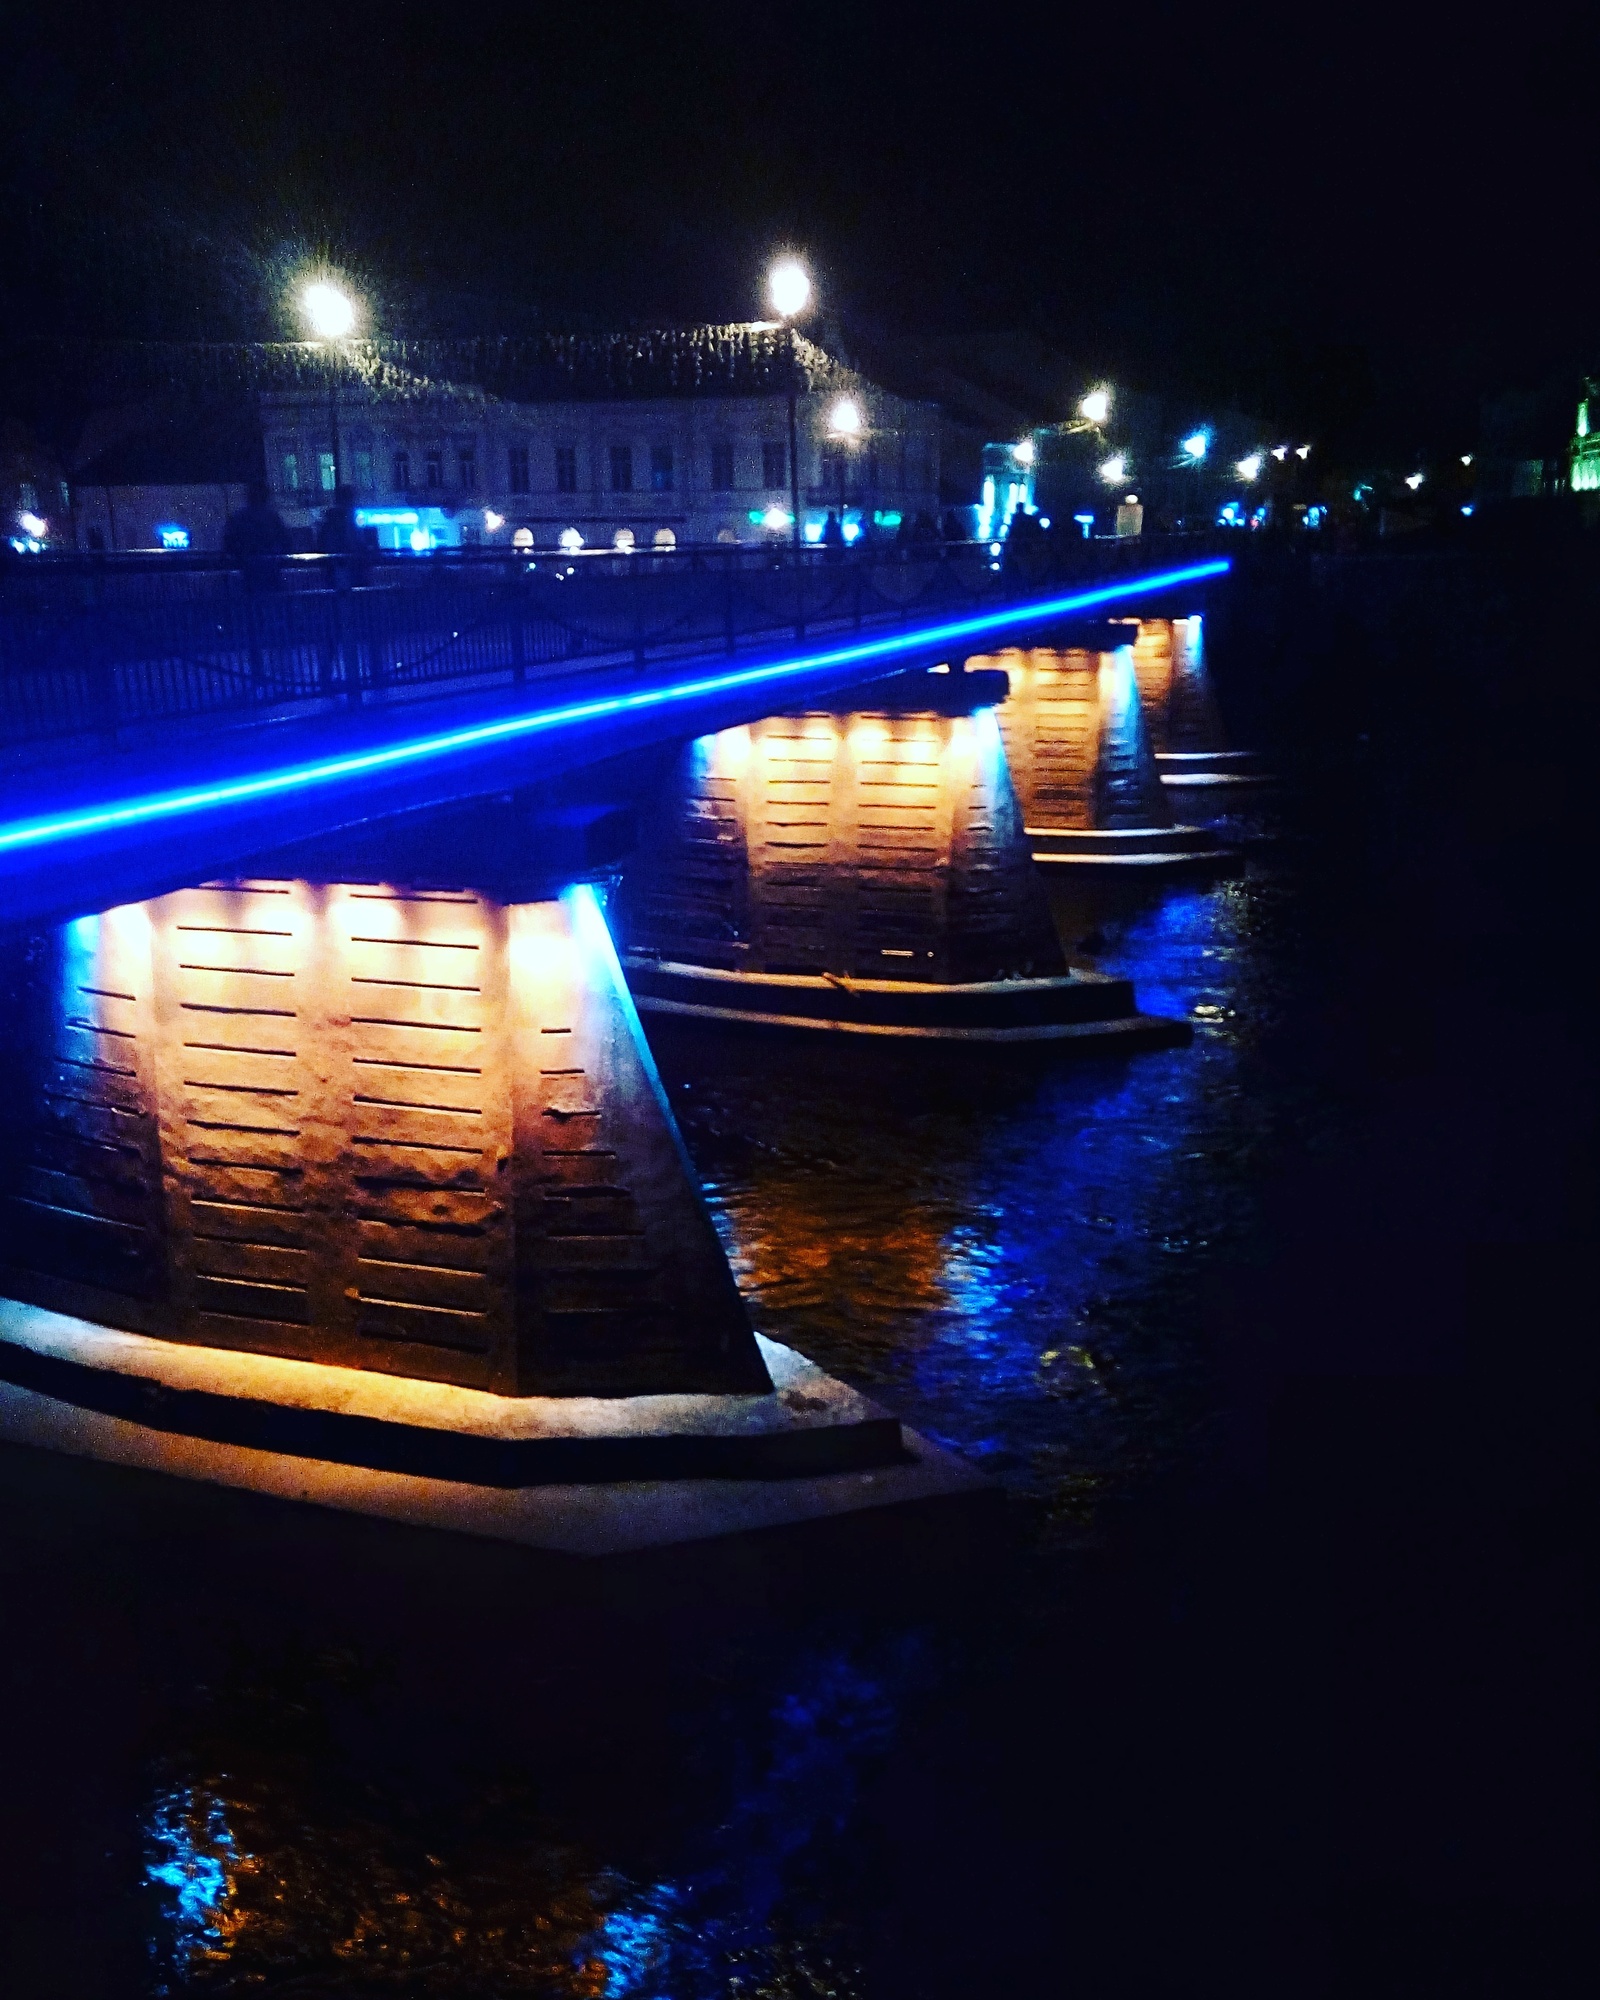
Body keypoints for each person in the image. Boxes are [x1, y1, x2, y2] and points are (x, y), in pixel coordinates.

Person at [223, 480, 289, 591]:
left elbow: (228, 542)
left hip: (248, 570)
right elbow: (286, 542)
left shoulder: (239, 517)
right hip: (271, 570)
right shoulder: (272, 518)